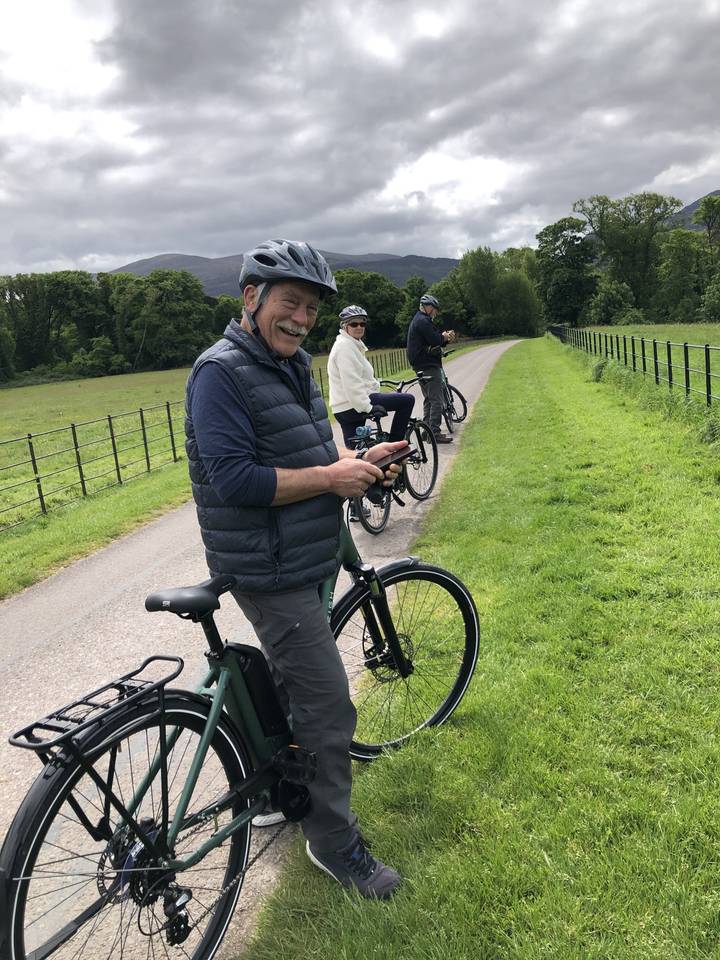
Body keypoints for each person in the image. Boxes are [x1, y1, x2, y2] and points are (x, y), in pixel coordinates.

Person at [184, 239, 404, 899]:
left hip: (309, 555)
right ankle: (336, 847)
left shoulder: (293, 363)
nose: (301, 318)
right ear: (250, 299)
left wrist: (359, 461)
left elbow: (315, 447)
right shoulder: (219, 372)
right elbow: (235, 481)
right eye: (290, 303)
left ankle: (283, 790)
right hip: (270, 569)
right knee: (331, 708)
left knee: (293, 688)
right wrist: (331, 477)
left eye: (310, 308)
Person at [328, 303, 415, 446]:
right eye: (354, 324)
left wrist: (375, 384)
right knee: (407, 400)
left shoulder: (352, 345)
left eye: (362, 323)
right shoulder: (345, 347)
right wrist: (368, 408)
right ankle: (395, 447)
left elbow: (360, 376)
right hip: (352, 405)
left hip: (344, 407)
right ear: (345, 326)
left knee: (357, 453)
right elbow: (351, 384)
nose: (359, 327)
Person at [406, 293, 456, 444]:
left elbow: (432, 341)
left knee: (428, 399)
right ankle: (434, 432)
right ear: (427, 307)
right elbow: (435, 339)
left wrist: (442, 339)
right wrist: (445, 337)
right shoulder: (423, 321)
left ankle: (426, 431)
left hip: (419, 365)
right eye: (434, 309)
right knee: (436, 399)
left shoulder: (418, 319)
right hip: (428, 365)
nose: (436, 312)